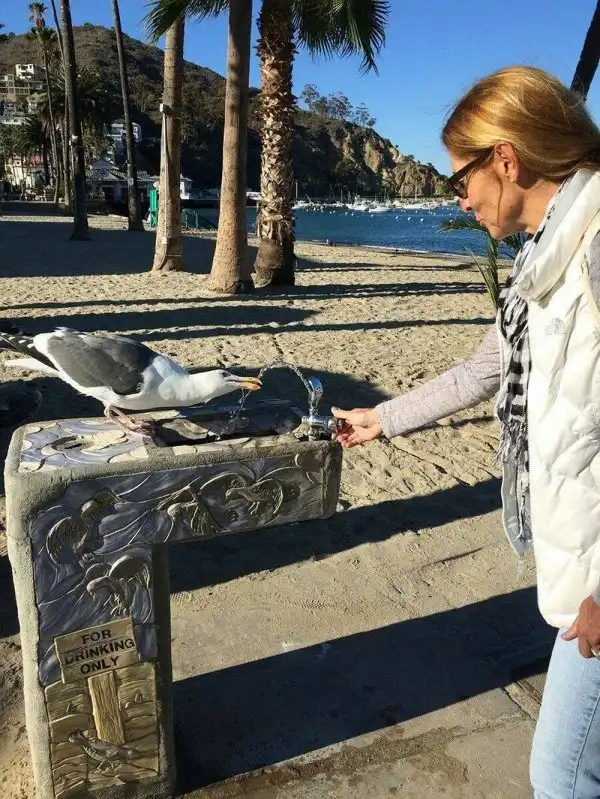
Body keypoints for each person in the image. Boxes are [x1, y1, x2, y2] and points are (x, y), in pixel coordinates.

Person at [333, 65, 600, 798]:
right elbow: (485, 367)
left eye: (461, 178)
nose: (459, 198)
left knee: (562, 771)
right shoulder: (543, 256)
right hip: (580, 552)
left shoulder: (593, 247)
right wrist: (382, 418)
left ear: (506, 159)